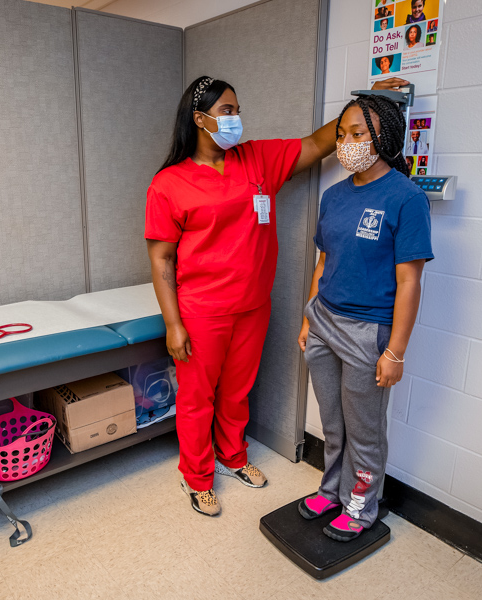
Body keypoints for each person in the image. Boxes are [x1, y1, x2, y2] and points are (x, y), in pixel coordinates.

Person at [145, 75, 409, 516]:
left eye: (237, 109)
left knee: (237, 390)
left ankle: (232, 457)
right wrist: (174, 324)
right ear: (199, 119)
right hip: (201, 311)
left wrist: (372, 102)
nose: (236, 119)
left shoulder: (258, 159)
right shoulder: (169, 183)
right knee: (198, 398)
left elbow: (322, 141)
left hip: (252, 305)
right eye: (227, 111)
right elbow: (161, 261)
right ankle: (196, 476)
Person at [297, 94, 433, 541]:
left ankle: (362, 505)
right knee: (332, 421)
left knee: (364, 430)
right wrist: (307, 319)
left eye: (358, 134)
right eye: (342, 134)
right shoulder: (334, 195)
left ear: (384, 138)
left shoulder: (406, 198)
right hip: (323, 321)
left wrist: (395, 351)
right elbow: (323, 261)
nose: (347, 142)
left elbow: (410, 282)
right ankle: (333, 490)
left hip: (366, 332)